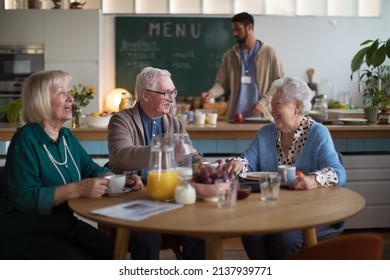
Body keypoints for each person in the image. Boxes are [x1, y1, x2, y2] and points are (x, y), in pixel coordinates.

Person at [0, 70, 143, 260]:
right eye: (62, 93)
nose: (70, 98)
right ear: (41, 100)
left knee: (114, 254)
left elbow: (91, 170)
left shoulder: (66, 137)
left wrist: (120, 181)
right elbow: (25, 197)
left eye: (69, 92)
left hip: (64, 224)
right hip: (26, 229)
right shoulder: (25, 139)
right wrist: (76, 189)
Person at [225, 76, 346, 259]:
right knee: (252, 232)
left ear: (297, 106)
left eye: (277, 104)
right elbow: (247, 160)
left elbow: (338, 172)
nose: (272, 111)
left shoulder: (318, 133)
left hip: (311, 211)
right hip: (273, 209)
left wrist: (313, 179)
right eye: (271, 104)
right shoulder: (266, 133)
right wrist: (238, 163)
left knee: (285, 237)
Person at [107, 66, 205, 260]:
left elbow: (191, 156)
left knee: (201, 228)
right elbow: (120, 156)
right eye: (166, 93)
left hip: (170, 197)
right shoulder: (121, 120)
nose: (172, 98)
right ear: (145, 95)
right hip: (135, 199)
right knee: (146, 234)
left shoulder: (175, 124)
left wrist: (205, 166)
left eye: (173, 92)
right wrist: (165, 149)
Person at [201, 12, 284, 122]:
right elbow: (221, 83)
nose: (235, 33)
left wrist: (263, 103)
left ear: (249, 27)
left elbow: (279, 84)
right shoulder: (229, 55)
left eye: (238, 29)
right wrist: (211, 93)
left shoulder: (269, 53)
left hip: (262, 117)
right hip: (235, 118)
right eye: (233, 30)